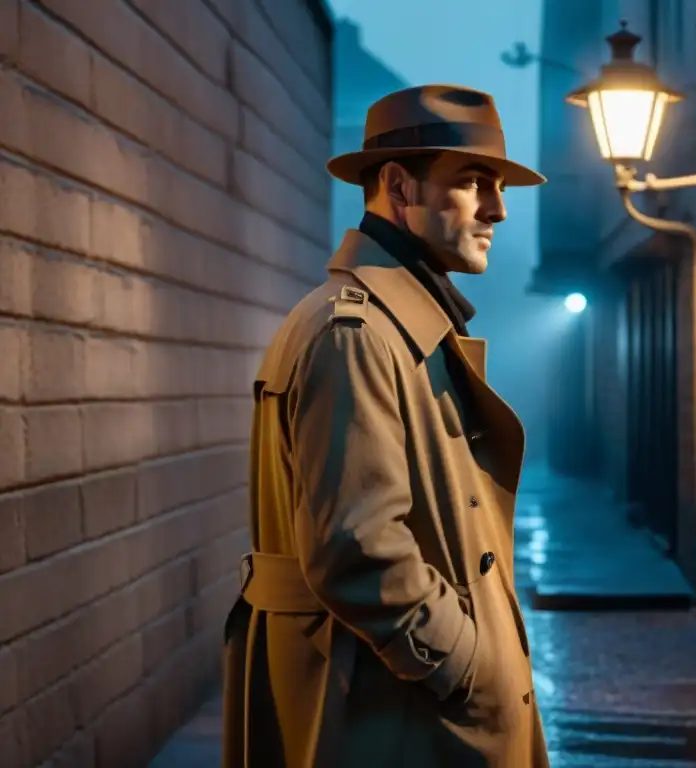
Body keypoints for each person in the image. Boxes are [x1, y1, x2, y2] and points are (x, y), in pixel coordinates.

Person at [222, 84, 549, 767]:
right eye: (472, 182)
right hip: (384, 713)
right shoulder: (357, 334)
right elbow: (358, 547)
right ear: (399, 186)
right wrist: (465, 666)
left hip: (392, 703)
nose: (498, 208)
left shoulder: (391, 326)